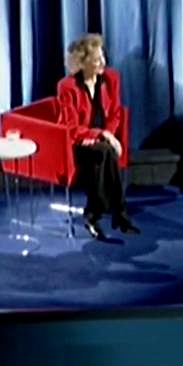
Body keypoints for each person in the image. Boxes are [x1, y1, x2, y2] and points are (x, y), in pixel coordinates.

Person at [56, 34, 139, 239]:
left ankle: (95, 213)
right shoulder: (68, 87)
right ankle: (118, 213)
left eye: (102, 57)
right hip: (78, 144)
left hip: (103, 144)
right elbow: (71, 128)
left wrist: (107, 135)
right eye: (96, 59)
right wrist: (103, 135)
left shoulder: (111, 79)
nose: (103, 62)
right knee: (104, 151)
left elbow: (116, 113)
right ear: (82, 63)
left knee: (104, 152)